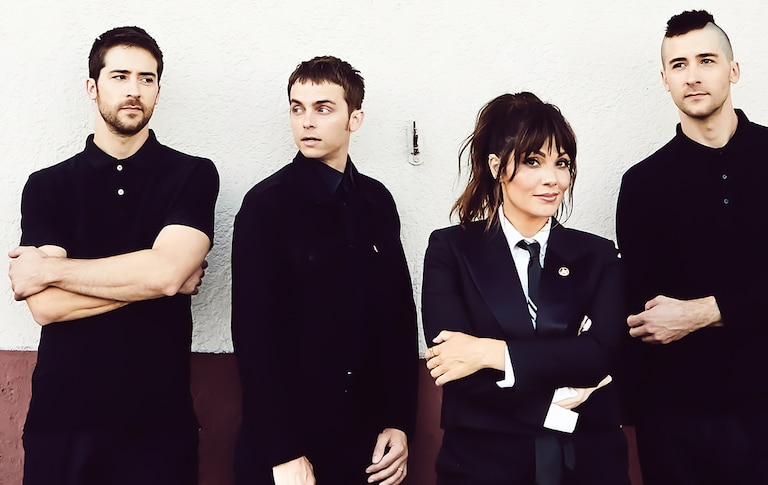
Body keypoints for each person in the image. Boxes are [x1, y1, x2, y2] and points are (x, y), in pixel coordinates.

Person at [616, 10, 768, 484]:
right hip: (674, 416)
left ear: (732, 70)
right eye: (678, 65)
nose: (692, 75)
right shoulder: (642, 183)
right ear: (664, 79)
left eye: (706, 60)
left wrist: (703, 311)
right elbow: (639, 306)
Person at [7, 26, 219, 485]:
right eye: (120, 76)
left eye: (147, 79)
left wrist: (51, 269)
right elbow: (45, 306)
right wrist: (158, 279)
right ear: (92, 87)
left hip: (158, 426)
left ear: (158, 91)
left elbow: (164, 273)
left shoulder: (192, 175)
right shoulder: (48, 185)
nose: (133, 90)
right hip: (62, 424)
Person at [423, 92, 630, 485]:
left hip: (588, 463)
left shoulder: (597, 255)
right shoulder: (451, 249)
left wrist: (491, 351)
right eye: (533, 161)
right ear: (497, 166)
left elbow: (602, 353)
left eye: (562, 163)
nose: (552, 178)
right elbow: (451, 364)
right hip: (484, 465)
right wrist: (554, 405)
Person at [231, 55, 418, 485]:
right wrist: (283, 452)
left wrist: (400, 422)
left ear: (356, 118)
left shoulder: (377, 201)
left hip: (367, 447)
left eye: (323, 108)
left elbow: (397, 319)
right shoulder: (266, 205)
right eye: (297, 108)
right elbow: (254, 334)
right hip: (291, 450)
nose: (306, 122)